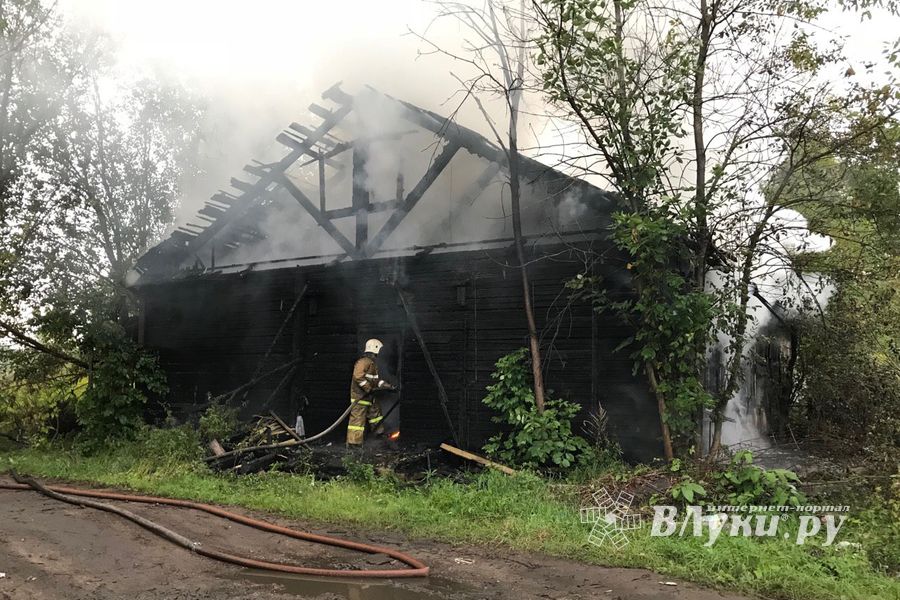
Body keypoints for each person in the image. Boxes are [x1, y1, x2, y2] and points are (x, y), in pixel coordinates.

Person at [347, 338, 394, 445]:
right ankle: (354, 444)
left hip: (369, 397)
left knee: (376, 414)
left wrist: (388, 386)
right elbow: (358, 376)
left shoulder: (372, 364)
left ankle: (379, 434)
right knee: (357, 421)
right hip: (360, 397)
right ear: (375, 349)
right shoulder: (363, 362)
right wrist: (368, 388)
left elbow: (375, 381)